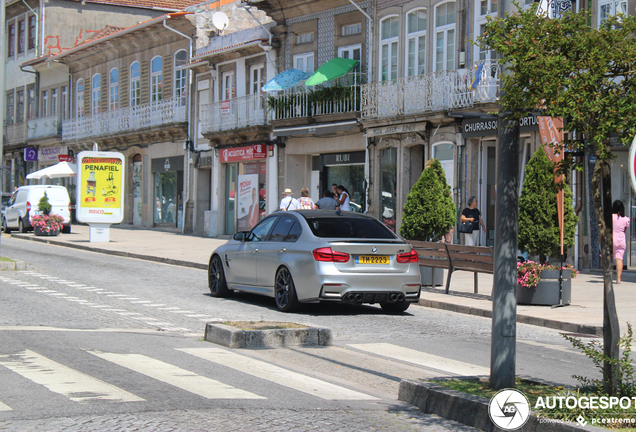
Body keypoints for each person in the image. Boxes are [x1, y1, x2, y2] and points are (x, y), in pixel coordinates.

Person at [612, 200, 630, 284]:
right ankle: (618, 279)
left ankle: (608, 276)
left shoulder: (611, 217)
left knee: (608, 258)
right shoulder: (625, 219)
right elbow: (624, 229)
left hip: (612, 238)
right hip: (621, 239)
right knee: (619, 259)